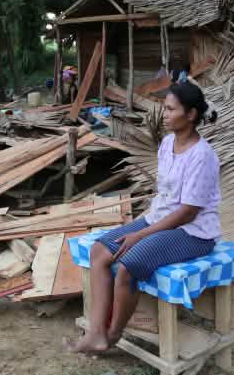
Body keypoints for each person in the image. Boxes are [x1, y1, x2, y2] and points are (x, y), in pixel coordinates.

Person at [66, 79, 220, 353]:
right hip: (160, 219)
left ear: (191, 114)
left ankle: (113, 334)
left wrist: (140, 234)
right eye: (165, 107)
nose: (165, 114)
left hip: (194, 232)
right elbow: (166, 197)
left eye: (171, 109)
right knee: (100, 251)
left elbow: (188, 212)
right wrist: (145, 227)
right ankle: (95, 332)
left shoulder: (202, 156)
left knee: (128, 265)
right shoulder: (168, 143)